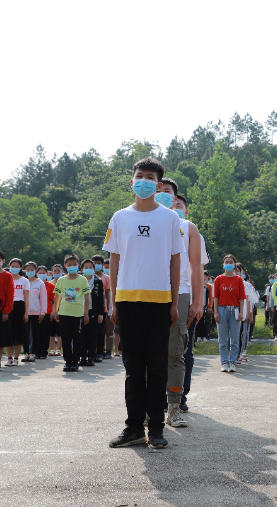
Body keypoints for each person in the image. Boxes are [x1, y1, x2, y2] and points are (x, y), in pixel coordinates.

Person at [105, 157, 187, 450]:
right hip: (127, 300)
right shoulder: (120, 217)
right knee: (132, 368)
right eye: (140, 176)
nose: (144, 181)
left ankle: (156, 428)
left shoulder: (169, 218)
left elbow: (176, 261)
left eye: (150, 177)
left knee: (157, 367)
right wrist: (114, 299)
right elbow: (114, 260)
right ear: (132, 181)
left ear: (158, 184)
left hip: (159, 301)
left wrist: (174, 301)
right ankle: (133, 428)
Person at [168, 192, 207, 421]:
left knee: (182, 352)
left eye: (178, 203)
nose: (174, 205)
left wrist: (197, 302)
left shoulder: (189, 229)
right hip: (157, 294)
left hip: (184, 298)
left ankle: (178, 400)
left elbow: (196, 268)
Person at [53, 254, 90, 373]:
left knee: (77, 338)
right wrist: (56, 311)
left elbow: (87, 298)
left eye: (74, 264)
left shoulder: (82, 279)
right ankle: (68, 361)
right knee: (66, 338)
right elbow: (57, 296)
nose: (72, 267)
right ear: (65, 266)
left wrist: (86, 313)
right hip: (64, 313)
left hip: (78, 314)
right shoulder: (61, 280)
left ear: (78, 265)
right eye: (69, 265)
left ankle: (75, 361)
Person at [213, 255, 246, 373]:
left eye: (231, 262)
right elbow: (216, 297)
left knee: (235, 339)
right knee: (223, 339)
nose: (228, 264)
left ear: (234, 264)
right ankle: (224, 362)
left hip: (235, 310)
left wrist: (242, 312)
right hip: (222, 310)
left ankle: (232, 362)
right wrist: (215, 312)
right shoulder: (218, 279)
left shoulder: (238, 280)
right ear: (223, 264)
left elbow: (242, 298)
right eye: (226, 262)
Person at [79, 258, 104, 367]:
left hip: (93, 312)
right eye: (86, 267)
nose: (88, 269)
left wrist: (100, 313)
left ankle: (91, 357)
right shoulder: (78, 280)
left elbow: (101, 298)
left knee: (92, 335)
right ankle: (82, 356)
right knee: (81, 335)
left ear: (94, 269)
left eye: (90, 267)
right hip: (79, 311)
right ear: (82, 268)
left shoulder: (98, 281)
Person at [6, 258, 30, 367]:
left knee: (18, 335)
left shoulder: (24, 281)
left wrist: (26, 313)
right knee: (8, 334)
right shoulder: (6, 279)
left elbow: (26, 298)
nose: (14, 268)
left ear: (20, 268)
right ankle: (9, 358)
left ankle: (16, 358)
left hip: (19, 307)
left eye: (17, 266)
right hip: (8, 307)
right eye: (12, 266)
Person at [23, 261, 47, 363]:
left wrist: (42, 312)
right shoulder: (24, 281)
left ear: (35, 271)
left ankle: (33, 353)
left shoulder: (40, 283)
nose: (30, 272)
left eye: (32, 270)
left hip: (36, 312)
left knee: (35, 333)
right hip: (25, 312)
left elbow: (43, 299)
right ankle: (26, 353)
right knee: (25, 333)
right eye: (28, 270)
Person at [91, 255, 112, 362]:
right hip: (90, 308)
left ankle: (100, 352)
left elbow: (107, 293)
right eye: (94, 263)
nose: (96, 265)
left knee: (100, 332)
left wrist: (107, 308)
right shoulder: (88, 277)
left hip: (102, 309)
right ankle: (91, 352)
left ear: (102, 265)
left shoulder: (106, 278)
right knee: (91, 332)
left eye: (99, 263)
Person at [35, 265, 53, 359]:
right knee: (36, 332)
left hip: (47, 312)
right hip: (35, 311)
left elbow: (55, 300)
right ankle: (36, 351)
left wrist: (53, 312)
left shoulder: (51, 286)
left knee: (45, 333)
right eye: (40, 273)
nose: (42, 275)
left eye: (44, 273)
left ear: (47, 274)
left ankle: (44, 351)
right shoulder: (33, 284)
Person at [48, 264, 64, 356]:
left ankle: (59, 350)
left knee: (60, 332)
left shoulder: (64, 282)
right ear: (52, 272)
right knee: (52, 332)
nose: (57, 272)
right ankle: (52, 349)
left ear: (62, 272)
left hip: (62, 309)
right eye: (55, 271)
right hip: (51, 310)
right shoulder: (50, 283)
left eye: (58, 271)